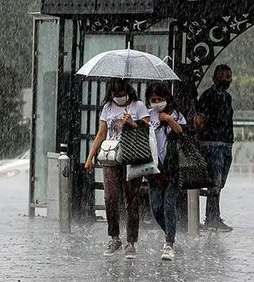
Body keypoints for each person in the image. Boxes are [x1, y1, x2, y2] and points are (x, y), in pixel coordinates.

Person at [84, 78, 150, 259]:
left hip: (132, 156)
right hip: (112, 156)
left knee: (131, 200)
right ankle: (114, 237)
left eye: (120, 93)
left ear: (127, 90)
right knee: (110, 196)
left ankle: (131, 241)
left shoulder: (138, 106)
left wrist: (132, 123)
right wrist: (90, 157)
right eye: (114, 94)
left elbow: (147, 130)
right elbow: (101, 133)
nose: (118, 97)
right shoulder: (108, 108)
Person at [145, 82, 186, 260]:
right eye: (153, 99)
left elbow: (182, 132)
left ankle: (169, 243)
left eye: (159, 99)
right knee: (156, 207)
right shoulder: (147, 114)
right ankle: (170, 232)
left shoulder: (175, 114)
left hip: (173, 167)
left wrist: (168, 119)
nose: (156, 102)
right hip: (154, 168)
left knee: (169, 205)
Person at [195, 64, 234, 232]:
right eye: (223, 76)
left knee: (220, 183)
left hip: (226, 144)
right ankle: (212, 217)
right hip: (211, 145)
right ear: (214, 78)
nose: (226, 79)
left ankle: (213, 216)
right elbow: (199, 121)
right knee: (214, 183)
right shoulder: (207, 96)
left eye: (228, 76)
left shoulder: (227, 98)